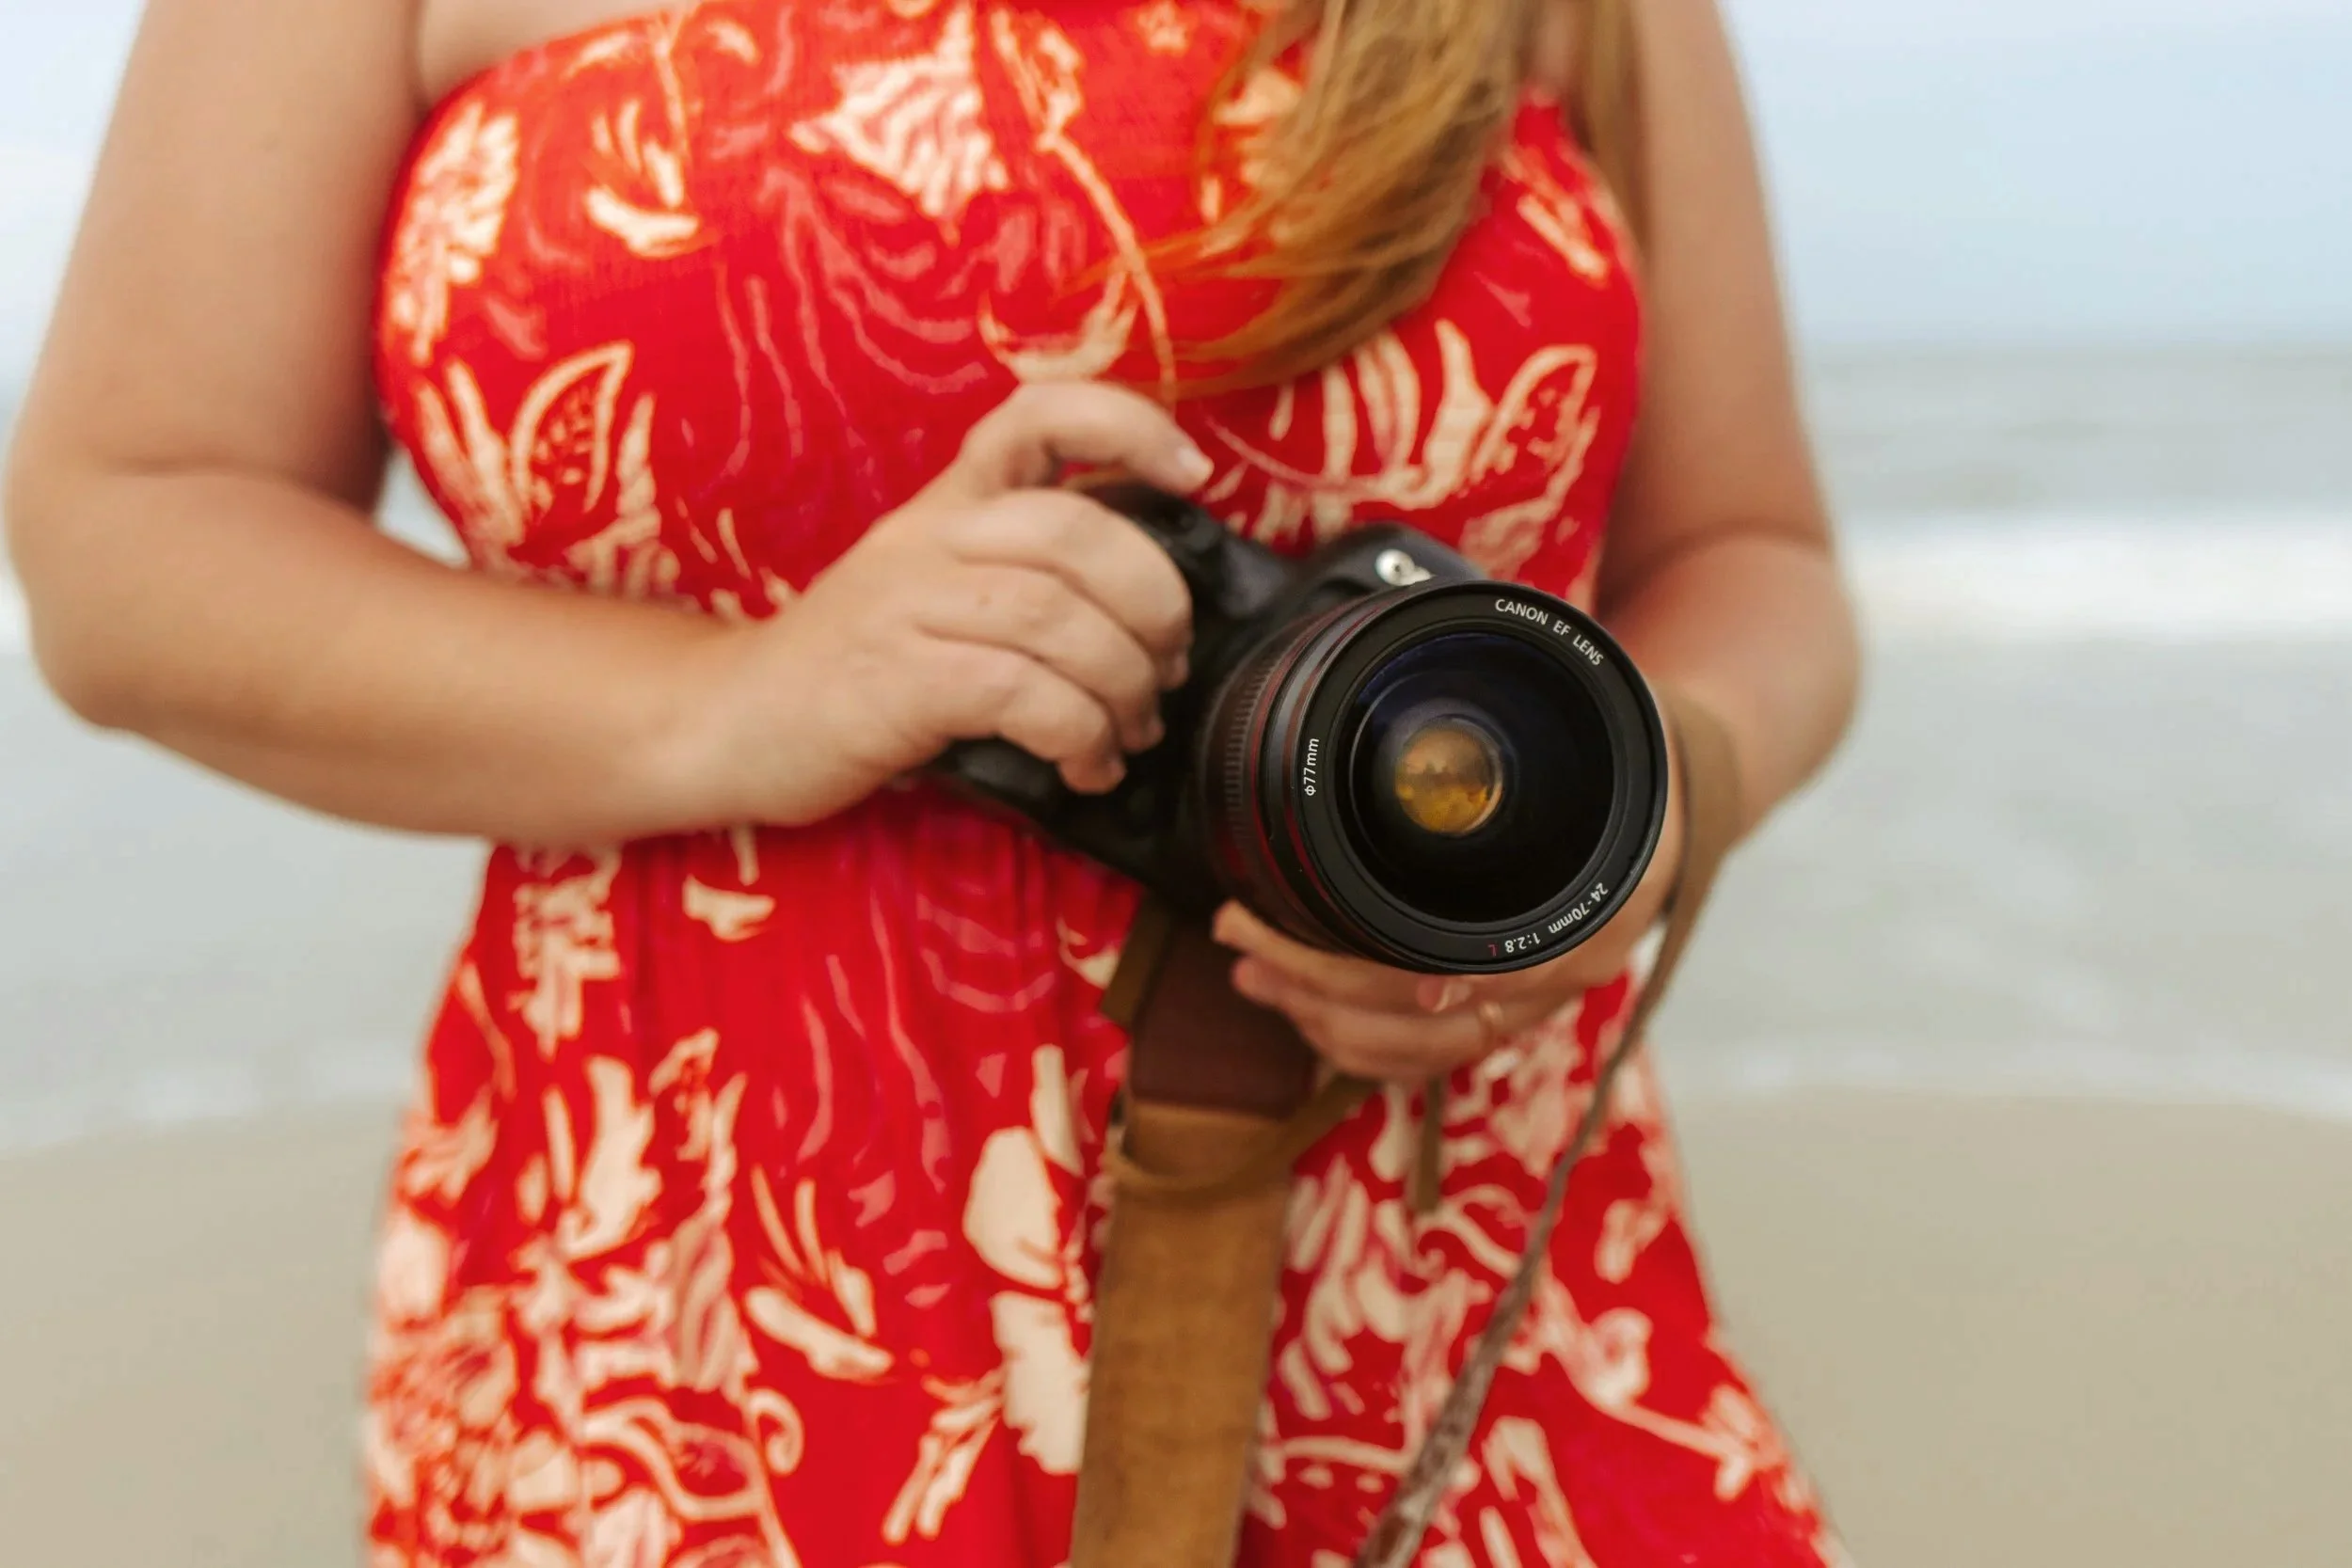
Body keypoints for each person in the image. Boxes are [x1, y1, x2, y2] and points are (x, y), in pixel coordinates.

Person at [5, 0, 1862, 1561]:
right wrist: (740, 698)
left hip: (1455, 1301)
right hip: (691, 1321)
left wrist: (1652, 806)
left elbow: (1749, 554)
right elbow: (129, 533)